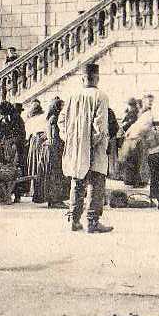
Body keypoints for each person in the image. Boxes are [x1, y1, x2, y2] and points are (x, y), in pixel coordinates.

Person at [59, 61, 112, 233]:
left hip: (75, 146)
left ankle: (73, 220)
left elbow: (62, 121)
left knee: (77, 182)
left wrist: (70, 139)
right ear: (97, 78)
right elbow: (100, 127)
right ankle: (92, 222)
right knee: (96, 184)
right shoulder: (101, 96)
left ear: (82, 79)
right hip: (94, 149)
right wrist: (91, 144)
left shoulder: (72, 96)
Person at [0, 100, 26, 201]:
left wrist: (14, 144)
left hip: (14, 148)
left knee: (15, 171)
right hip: (3, 148)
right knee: (2, 170)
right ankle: (3, 194)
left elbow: (21, 134)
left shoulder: (17, 118)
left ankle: (17, 195)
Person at [45, 97, 70, 208]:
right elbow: (56, 136)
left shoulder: (50, 118)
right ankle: (56, 200)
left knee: (53, 174)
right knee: (58, 174)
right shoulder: (55, 118)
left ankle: (53, 200)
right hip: (56, 149)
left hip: (52, 149)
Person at [25, 101, 49, 203]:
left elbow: (28, 134)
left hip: (34, 141)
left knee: (34, 166)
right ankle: (42, 193)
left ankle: (35, 192)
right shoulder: (44, 117)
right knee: (41, 166)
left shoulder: (30, 120)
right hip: (42, 141)